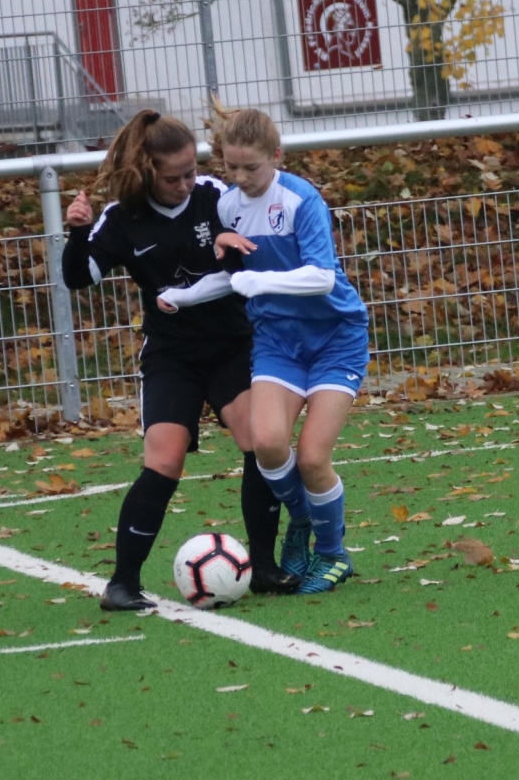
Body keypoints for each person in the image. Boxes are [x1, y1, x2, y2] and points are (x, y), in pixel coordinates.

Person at [58, 108, 298, 610]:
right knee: (164, 459)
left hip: (233, 345)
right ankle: (122, 583)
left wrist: (235, 249)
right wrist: (77, 233)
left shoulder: (216, 197)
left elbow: (252, 254)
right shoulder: (122, 218)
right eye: (175, 177)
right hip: (171, 356)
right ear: (147, 172)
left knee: (258, 442)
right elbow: (81, 277)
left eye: (192, 170)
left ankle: (264, 565)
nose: (188, 183)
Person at [157, 107, 371, 595]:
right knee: (269, 443)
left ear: (275, 156)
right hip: (278, 340)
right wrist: (185, 295)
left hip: (335, 337)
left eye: (250, 167)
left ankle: (334, 556)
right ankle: (302, 521)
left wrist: (258, 280)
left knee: (313, 458)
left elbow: (320, 276)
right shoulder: (229, 207)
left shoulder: (301, 200)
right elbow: (236, 279)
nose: (239, 178)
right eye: (230, 168)